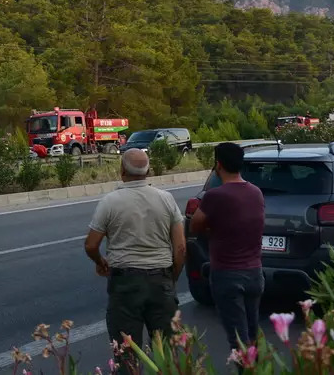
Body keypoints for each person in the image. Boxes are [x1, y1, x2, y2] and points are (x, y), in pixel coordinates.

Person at [84, 148, 186, 364]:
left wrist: (100, 262)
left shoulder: (110, 201)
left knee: (127, 355)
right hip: (161, 280)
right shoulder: (166, 199)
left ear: (122, 170)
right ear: (148, 171)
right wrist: (171, 278)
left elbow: (91, 245)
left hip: (125, 285)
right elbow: (180, 249)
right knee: (169, 354)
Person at [189, 142, 265, 356]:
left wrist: (214, 229)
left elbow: (195, 225)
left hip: (228, 275)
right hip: (254, 273)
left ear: (218, 165)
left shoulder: (215, 196)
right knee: (252, 334)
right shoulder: (256, 192)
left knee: (238, 340)